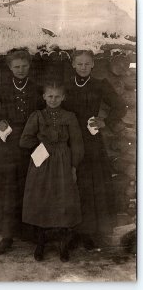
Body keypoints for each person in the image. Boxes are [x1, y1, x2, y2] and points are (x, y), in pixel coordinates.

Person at [0, 50, 43, 255]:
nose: (21, 70)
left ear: (29, 66)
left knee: (32, 187)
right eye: (16, 67)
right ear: (10, 68)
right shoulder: (1, 89)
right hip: (9, 146)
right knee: (8, 190)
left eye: (24, 66)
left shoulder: (37, 89)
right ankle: (7, 236)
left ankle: (33, 234)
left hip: (32, 145)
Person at [64, 50, 127, 250]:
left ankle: (89, 232)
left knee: (90, 184)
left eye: (87, 63)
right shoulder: (66, 85)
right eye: (79, 63)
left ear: (93, 65)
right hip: (68, 139)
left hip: (91, 140)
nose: (83, 67)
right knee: (71, 183)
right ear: (73, 64)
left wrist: (104, 121)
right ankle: (70, 232)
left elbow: (120, 106)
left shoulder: (100, 84)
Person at [20, 81, 84, 262]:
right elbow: (24, 140)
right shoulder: (37, 116)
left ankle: (63, 246)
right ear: (44, 97)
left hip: (63, 162)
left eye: (57, 96)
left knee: (64, 199)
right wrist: (41, 147)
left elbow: (78, 144)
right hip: (42, 162)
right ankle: (40, 244)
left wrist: (74, 166)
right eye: (50, 96)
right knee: (42, 199)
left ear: (63, 97)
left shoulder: (70, 117)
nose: (53, 100)